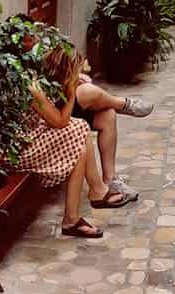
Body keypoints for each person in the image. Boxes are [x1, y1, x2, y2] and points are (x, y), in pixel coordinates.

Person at [15, 47, 132, 238]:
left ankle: (74, 216)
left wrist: (75, 83)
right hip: (21, 150)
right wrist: (71, 92)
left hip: (32, 137)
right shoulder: (34, 88)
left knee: (80, 134)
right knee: (78, 128)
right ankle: (91, 198)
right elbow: (60, 121)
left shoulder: (42, 81)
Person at [42, 50, 152, 198]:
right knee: (88, 91)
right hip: (51, 119)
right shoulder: (23, 57)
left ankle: (110, 179)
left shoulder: (42, 43)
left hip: (60, 105)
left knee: (107, 115)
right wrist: (72, 86)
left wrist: (75, 78)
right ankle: (124, 104)